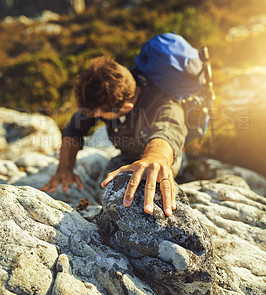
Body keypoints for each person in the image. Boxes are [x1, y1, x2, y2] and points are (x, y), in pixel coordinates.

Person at [42, 56, 188, 217]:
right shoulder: (102, 98)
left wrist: (156, 158)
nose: (95, 117)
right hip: (127, 155)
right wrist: (64, 168)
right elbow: (74, 130)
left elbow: (167, 132)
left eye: (101, 115)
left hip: (163, 159)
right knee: (107, 189)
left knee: (143, 189)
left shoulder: (166, 105)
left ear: (126, 107)